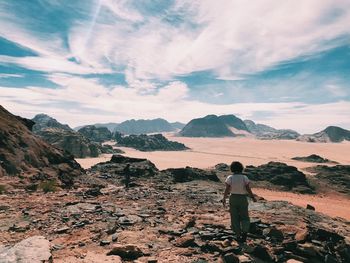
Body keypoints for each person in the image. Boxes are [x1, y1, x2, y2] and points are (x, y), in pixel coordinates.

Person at [222, 161, 257, 242]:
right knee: (244, 216)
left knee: (234, 217)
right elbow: (248, 189)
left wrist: (224, 198)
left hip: (233, 197)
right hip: (242, 198)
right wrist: (252, 197)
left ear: (232, 168)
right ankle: (244, 233)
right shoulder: (244, 177)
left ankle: (237, 235)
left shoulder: (230, 177)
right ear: (241, 168)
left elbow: (227, 189)